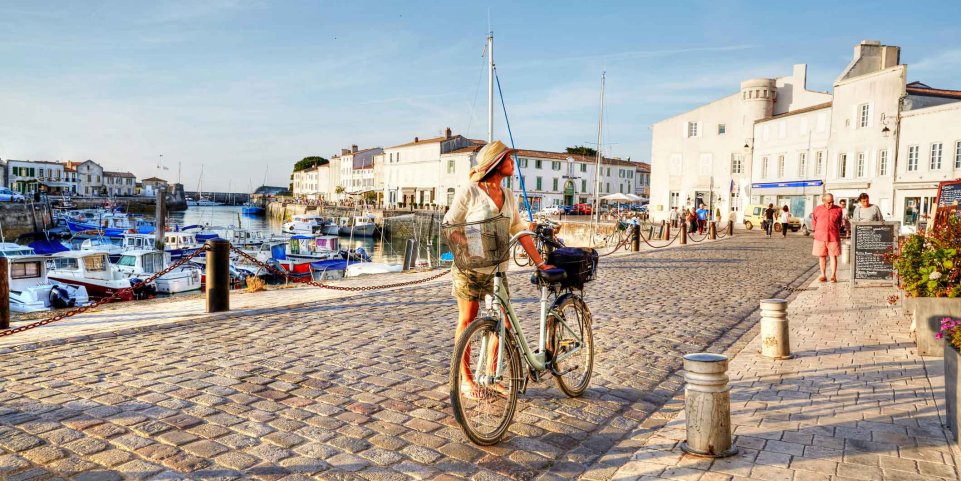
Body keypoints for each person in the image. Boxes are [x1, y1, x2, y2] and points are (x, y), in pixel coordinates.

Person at [444, 140, 553, 397]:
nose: (513, 163)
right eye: (509, 159)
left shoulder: (508, 195)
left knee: (501, 322)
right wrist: (470, 246)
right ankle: (467, 380)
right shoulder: (470, 191)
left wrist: (539, 262)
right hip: (469, 269)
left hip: (497, 270)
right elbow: (450, 225)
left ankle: (491, 376)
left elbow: (519, 230)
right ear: (495, 162)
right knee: (467, 320)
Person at [811, 193, 843, 283]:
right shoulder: (817, 209)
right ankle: (823, 275)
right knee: (822, 256)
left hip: (833, 236)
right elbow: (814, 221)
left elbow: (840, 223)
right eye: (829, 202)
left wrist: (835, 229)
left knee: (833, 256)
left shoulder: (838, 209)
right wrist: (816, 231)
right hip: (820, 236)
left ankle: (833, 275)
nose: (831, 204)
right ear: (823, 201)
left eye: (832, 201)